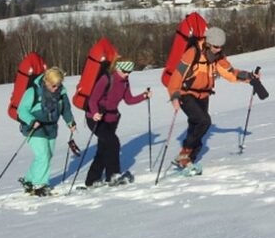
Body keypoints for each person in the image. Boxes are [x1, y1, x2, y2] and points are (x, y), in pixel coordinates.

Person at [166, 26, 262, 167]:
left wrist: (249, 76)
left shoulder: (218, 57)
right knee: (204, 121)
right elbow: (177, 75)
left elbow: (230, 72)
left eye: (221, 47)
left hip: (204, 95)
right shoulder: (192, 53)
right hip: (186, 94)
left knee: (196, 127)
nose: (219, 49)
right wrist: (174, 95)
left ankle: (188, 161)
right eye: (216, 46)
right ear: (208, 42)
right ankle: (184, 153)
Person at [84, 59, 151, 187]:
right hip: (96, 119)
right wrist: (94, 113)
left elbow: (129, 100)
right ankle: (113, 176)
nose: (127, 74)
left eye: (129, 72)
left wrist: (144, 96)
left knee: (104, 148)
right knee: (113, 143)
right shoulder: (106, 79)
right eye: (125, 71)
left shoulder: (125, 82)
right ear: (118, 69)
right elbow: (93, 99)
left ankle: (91, 180)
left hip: (112, 119)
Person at [16, 67, 77, 196]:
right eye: (53, 85)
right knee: (43, 155)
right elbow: (21, 110)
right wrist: (32, 121)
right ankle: (40, 184)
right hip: (33, 127)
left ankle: (29, 180)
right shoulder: (33, 91)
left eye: (58, 85)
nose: (56, 88)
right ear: (46, 81)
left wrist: (70, 122)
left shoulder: (61, 93)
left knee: (47, 156)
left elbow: (66, 109)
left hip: (51, 127)